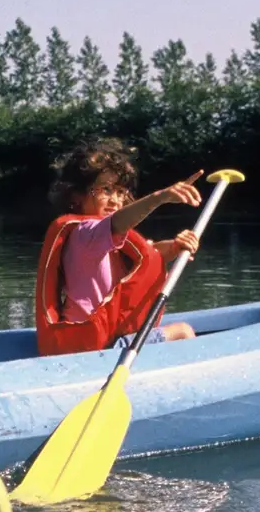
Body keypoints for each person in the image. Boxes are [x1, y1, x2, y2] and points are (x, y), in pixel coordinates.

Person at [35, 137, 203, 356]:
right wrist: (159, 197)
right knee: (183, 331)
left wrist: (173, 247)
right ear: (77, 195)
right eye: (105, 190)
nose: (115, 200)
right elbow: (117, 222)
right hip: (97, 346)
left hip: (95, 341)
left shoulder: (104, 239)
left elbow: (149, 255)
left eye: (120, 192)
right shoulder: (84, 234)